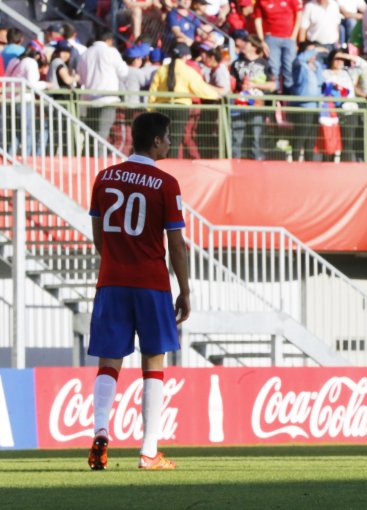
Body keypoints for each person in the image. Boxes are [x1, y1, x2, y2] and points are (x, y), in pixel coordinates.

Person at [86, 111, 190, 471]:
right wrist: (186, 289)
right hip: (151, 284)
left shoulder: (104, 178)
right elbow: (177, 245)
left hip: (112, 281)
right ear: (157, 141)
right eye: (168, 137)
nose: (170, 143)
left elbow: (98, 235)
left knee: (108, 361)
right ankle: (148, 452)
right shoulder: (166, 183)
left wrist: (115, 259)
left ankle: (101, 431)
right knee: (154, 363)